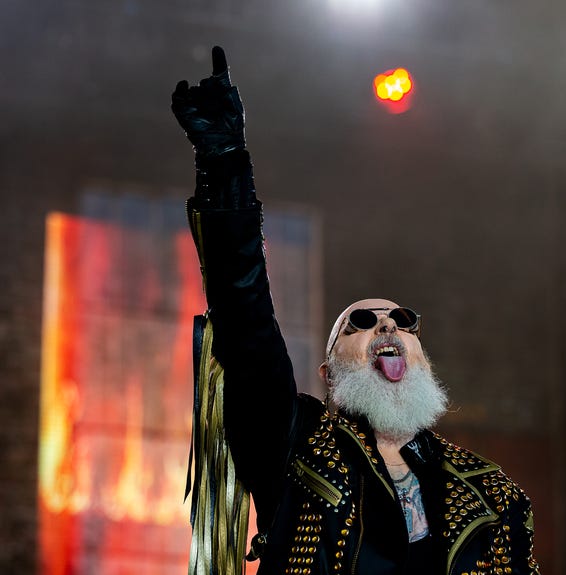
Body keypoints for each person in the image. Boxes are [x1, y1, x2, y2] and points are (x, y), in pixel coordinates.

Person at [172, 46, 540, 575]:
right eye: (359, 323)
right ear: (329, 376)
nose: (388, 324)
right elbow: (246, 321)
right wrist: (225, 163)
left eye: (402, 321)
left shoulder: (490, 493)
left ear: (422, 359)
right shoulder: (295, 445)